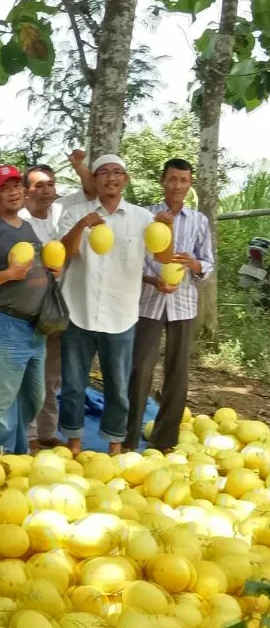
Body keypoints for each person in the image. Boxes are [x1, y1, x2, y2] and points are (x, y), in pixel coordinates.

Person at [57, 154, 173, 455]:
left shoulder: (142, 218)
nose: (111, 177)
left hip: (121, 315)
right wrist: (82, 225)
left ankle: (115, 447)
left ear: (126, 179)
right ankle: (74, 445)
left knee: (118, 388)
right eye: (104, 172)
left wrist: (166, 230)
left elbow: (162, 257)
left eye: (117, 172)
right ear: (94, 180)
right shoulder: (75, 213)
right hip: (78, 311)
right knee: (72, 386)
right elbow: (64, 254)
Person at [125, 159, 214, 452]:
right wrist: (152, 280)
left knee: (177, 373)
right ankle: (128, 437)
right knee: (140, 369)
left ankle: (164, 439)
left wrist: (194, 263)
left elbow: (208, 263)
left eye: (183, 180)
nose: (177, 186)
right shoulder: (145, 217)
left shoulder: (199, 220)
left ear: (190, 185)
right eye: (172, 179)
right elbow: (131, 261)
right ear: (163, 181)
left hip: (184, 303)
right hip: (148, 303)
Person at [0, 165, 53, 453]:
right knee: (1, 406)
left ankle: (17, 454)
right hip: (1, 324)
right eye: (5, 188)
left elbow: (33, 268)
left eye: (16, 185)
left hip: (34, 328)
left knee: (32, 398)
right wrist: (7, 275)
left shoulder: (27, 227)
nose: (13, 192)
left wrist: (53, 271)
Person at [17, 164, 64, 452]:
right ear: (25, 191)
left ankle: (47, 432)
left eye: (50, 185)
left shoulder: (59, 219)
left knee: (52, 375)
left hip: (55, 307)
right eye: (38, 186)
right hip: (28, 307)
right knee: (29, 374)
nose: (46, 191)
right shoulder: (20, 221)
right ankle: (29, 434)